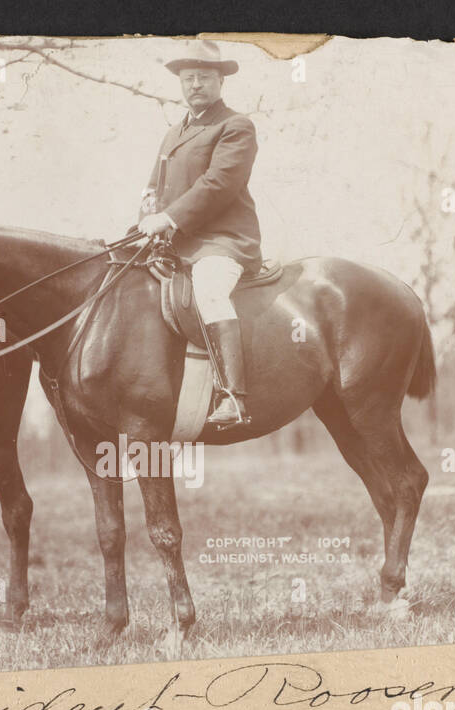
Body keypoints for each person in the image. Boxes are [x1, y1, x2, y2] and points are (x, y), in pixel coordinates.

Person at [138, 41, 262, 428]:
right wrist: (143, 223)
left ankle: (232, 397)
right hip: (176, 243)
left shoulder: (235, 126)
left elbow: (218, 184)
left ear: (220, 81)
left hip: (222, 240)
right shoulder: (173, 133)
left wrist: (169, 218)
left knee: (209, 289)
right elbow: (152, 190)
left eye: (204, 78)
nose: (195, 85)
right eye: (188, 78)